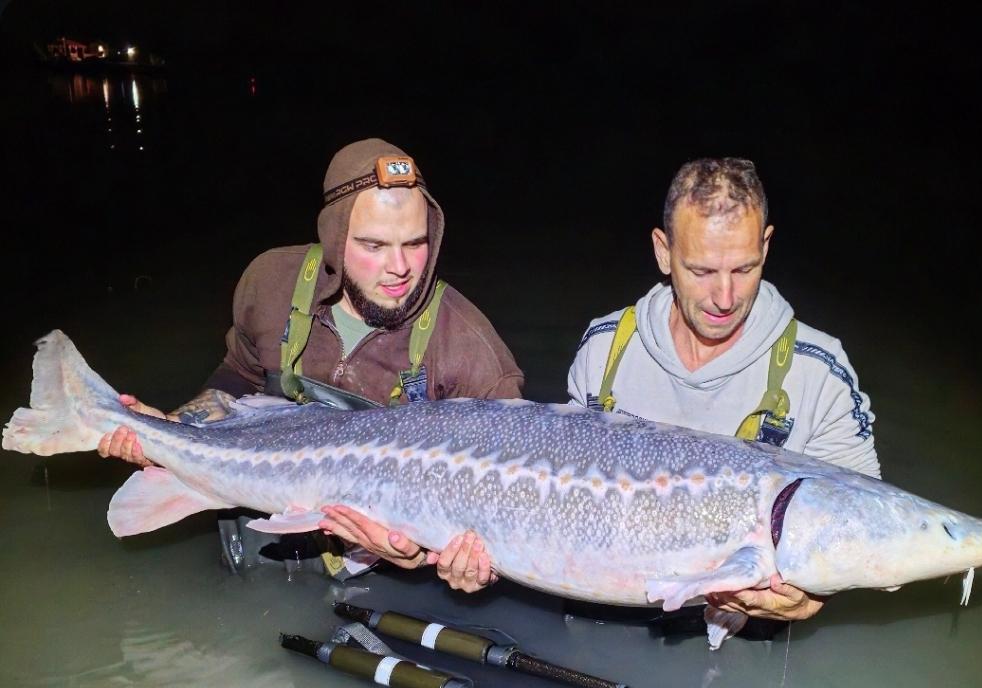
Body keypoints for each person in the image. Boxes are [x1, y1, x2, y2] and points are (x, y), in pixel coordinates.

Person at [99, 138, 520, 592]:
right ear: (336, 238)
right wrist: (169, 427)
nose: (399, 267)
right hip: (252, 524)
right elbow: (238, 377)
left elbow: (504, 516)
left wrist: (426, 557)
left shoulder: (470, 349)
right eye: (373, 245)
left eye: (415, 244)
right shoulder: (271, 282)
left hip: (374, 576)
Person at [567, 157, 881, 625]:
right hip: (608, 611)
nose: (725, 297)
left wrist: (811, 602)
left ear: (766, 246)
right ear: (662, 251)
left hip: (746, 628)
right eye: (701, 271)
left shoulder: (819, 372)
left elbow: (862, 522)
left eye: (744, 268)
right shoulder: (606, 349)